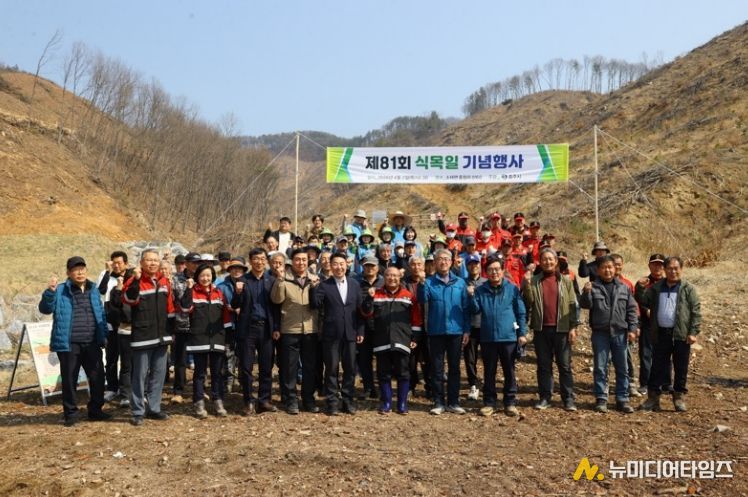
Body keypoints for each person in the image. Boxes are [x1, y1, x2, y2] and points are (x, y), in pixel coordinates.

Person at [39, 256, 110, 426]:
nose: (80, 273)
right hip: (69, 344)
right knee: (69, 380)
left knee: (98, 377)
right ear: (68, 273)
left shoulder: (93, 289)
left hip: (92, 342)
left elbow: (100, 313)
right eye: (75, 270)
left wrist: (103, 335)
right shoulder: (60, 290)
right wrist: (50, 292)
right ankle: (71, 414)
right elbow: (45, 309)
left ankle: (95, 410)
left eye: (82, 269)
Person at [636, 256, 701, 412]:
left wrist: (693, 332)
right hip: (661, 334)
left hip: (681, 335)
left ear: (681, 269)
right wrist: (640, 287)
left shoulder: (688, 289)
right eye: (669, 268)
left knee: (681, 367)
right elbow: (643, 301)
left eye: (676, 268)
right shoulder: (656, 287)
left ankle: (678, 398)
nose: (673, 271)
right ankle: (653, 398)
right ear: (665, 270)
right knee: (657, 367)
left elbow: (696, 312)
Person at [122, 249, 176, 426]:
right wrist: (136, 280)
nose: (153, 263)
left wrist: (171, 332)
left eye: (155, 260)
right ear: (141, 263)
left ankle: (154, 408)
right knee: (139, 375)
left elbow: (170, 308)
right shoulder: (134, 281)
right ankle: (138, 411)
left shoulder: (164, 281)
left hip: (162, 336)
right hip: (143, 336)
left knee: (159, 374)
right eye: (149, 260)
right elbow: (129, 299)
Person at [579, 255, 638, 414]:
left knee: (622, 368)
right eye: (604, 267)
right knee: (600, 367)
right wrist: (586, 292)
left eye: (610, 267)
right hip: (600, 334)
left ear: (615, 269)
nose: (607, 270)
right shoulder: (593, 286)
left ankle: (622, 399)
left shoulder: (624, 287)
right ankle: (601, 398)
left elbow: (631, 310)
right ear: (598, 270)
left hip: (620, 333)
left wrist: (632, 329)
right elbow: (585, 305)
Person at [522, 248, 579, 411]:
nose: (548, 262)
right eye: (544, 259)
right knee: (544, 365)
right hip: (541, 329)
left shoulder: (565, 281)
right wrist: (526, 285)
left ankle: (568, 399)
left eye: (550, 259)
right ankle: (545, 397)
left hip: (562, 329)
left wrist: (573, 327)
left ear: (556, 261)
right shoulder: (534, 280)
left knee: (565, 366)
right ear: (540, 262)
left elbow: (572, 305)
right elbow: (529, 302)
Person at [469, 255, 527, 416]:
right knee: (489, 372)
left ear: (502, 270)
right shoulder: (481, 290)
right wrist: (472, 296)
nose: (494, 272)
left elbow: (520, 312)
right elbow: (475, 310)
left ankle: (510, 402)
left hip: (508, 337)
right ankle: (489, 402)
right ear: (486, 272)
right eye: (490, 270)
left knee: (509, 371)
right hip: (488, 337)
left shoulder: (512, 289)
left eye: (497, 269)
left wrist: (521, 333)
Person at [310, 252, 365, 415]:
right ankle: (332, 402)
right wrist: (313, 288)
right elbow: (315, 304)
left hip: (351, 332)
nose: (339, 267)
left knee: (350, 369)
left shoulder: (355, 284)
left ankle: (348, 401)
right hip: (331, 334)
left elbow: (360, 310)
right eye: (335, 264)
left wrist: (360, 330)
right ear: (330, 266)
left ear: (346, 265)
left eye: (342, 264)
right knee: (331, 369)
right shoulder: (324, 285)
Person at [419, 248, 471, 415]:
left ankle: (453, 402)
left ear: (451, 262)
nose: (443, 262)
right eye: (440, 259)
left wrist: (467, 330)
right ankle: (439, 402)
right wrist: (421, 284)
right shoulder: (429, 282)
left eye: (446, 259)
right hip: (436, 331)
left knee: (454, 368)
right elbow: (422, 299)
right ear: (435, 262)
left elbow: (466, 308)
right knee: (437, 368)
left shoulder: (460, 283)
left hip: (456, 331)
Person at [363, 267, 422, 414]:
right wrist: (369, 298)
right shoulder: (376, 294)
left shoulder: (408, 296)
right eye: (389, 275)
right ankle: (387, 403)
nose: (392, 278)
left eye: (395, 275)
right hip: (381, 340)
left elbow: (416, 318)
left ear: (399, 277)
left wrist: (415, 337)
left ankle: (402, 404)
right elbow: (366, 313)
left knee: (403, 373)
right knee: (383, 374)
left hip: (402, 340)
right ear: (384, 277)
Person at [271, 248, 321, 414]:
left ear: (308, 261)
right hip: (289, 329)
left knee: (310, 367)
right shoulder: (284, 278)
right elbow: (276, 299)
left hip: (310, 329)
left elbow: (319, 303)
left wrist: (315, 286)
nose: (301, 263)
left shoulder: (315, 279)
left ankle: (308, 400)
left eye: (304, 260)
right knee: (289, 368)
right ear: (292, 262)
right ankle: (290, 400)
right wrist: (279, 280)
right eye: (297, 259)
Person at [232, 248, 280, 415]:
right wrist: (238, 292)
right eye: (256, 259)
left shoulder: (272, 280)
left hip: (266, 328)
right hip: (248, 328)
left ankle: (264, 400)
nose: (259, 262)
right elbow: (234, 304)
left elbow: (276, 307)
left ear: (266, 261)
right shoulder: (242, 280)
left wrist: (276, 328)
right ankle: (248, 401)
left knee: (266, 366)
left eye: (262, 259)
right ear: (250, 261)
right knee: (246, 367)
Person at [180, 264, 231, 418]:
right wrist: (189, 289)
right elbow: (184, 308)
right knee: (200, 373)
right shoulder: (193, 292)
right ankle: (199, 402)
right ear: (197, 277)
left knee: (217, 372)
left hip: (217, 338)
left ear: (212, 277)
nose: (205, 278)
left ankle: (217, 400)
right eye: (202, 275)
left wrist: (228, 338)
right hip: (199, 339)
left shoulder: (219, 293)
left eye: (208, 275)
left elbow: (226, 317)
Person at [96, 251, 132, 407]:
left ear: (126, 263)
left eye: (119, 262)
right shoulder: (106, 275)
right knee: (111, 359)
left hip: (126, 324)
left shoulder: (131, 277)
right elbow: (100, 291)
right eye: (114, 262)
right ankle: (112, 388)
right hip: (110, 324)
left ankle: (126, 392)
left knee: (127, 361)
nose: (116, 265)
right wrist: (107, 271)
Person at [170, 251, 201, 404]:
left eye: (198, 263)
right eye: (193, 262)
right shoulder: (176, 279)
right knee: (180, 360)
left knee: (200, 359)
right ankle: (178, 390)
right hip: (181, 323)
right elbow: (174, 301)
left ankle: (199, 390)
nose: (196, 265)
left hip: (199, 324)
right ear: (186, 263)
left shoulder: (203, 277)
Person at [632, 253, 666, 394]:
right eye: (654, 264)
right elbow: (637, 301)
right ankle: (645, 383)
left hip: (665, 326)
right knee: (646, 355)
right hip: (647, 325)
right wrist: (646, 310)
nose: (657, 267)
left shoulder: (669, 283)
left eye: (660, 264)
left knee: (664, 355)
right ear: (649, 266)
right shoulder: (643, 283)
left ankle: (664, 383)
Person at [611, 253, 641, 398]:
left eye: (619, 264)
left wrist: (635, 327)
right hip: (607, 329)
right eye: (614, 264)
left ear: (622, 265)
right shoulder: (601, 283)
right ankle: (606, 385)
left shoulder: (627, 284)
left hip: (624, 328)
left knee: (626, 357)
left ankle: (631, 384)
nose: (617, 266)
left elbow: (633, 307)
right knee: (606, 360)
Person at [217, 257, 248, 396]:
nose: (236, 271)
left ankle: (242, 382)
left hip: (244, 325)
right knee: (228, 354)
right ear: (229, 270)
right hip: (228, 325)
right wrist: (228, 308)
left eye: (239, 269)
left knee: (243, 355)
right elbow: (218, 305)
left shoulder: (248, 284)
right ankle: (228, 382)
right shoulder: (221, 287)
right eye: (233, 268)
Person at [355, 256, 384, 400]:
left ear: (378, 267)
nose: (369, 268)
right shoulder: (357, 283)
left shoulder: (384, 282)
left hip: (381, 327)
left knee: (382, 361)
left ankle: (382, 389)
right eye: (367, 266)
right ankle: (368, 388)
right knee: (364, 360)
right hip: (363, 327)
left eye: (372, 266)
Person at [404, 256, 431, 399]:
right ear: (409, 267)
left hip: (428, 325)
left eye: (419, 264)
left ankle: (430, 387)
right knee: (411, 359)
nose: (416, 267)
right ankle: (411, 386)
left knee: (429, 358)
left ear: (424, 266)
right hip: (411, 326)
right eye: (413, 264)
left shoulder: (430, 281)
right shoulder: (404, 283)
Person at [463, 253, 485, 401]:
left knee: (489, 357)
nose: (473, 266)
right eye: (470, 264)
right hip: (469, 326)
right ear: (467, 266)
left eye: (476, 263)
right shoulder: (461, 283)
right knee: (470, 358)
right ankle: (473, 384)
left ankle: (488, 383)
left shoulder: (486, 282)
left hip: (485, 324)